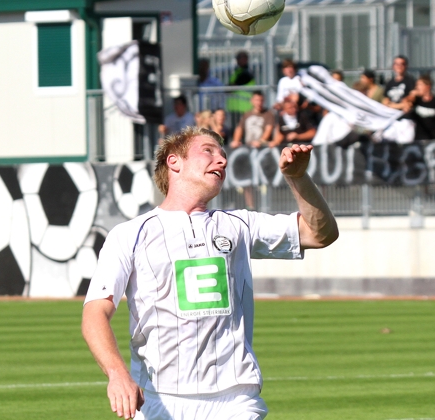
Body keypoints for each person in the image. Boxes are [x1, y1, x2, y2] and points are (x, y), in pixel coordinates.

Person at [82, 126, 339, 420]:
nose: (222, 160)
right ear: (174, 162)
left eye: (223, 155)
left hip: (236, 400)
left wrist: (297, 177)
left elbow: (321, 234)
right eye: (208, 151)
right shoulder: (130, 234)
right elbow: (95, 313)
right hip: (157, 400)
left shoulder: (240, 225)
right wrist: (116, 374)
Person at [401, 74, 435, 141]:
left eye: (420, 85)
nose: (417, 87)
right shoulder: (416, 100)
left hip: (434, 138)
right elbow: (405, 106)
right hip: (419, 139)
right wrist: (411, 96)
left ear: (428, 86)